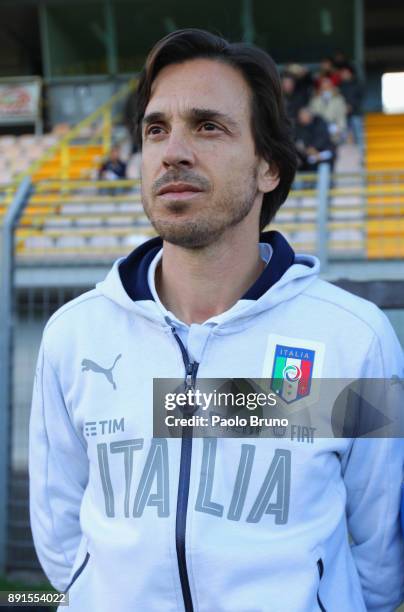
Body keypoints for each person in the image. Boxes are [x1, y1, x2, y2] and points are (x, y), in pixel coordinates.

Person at [29, 29, 404, 612]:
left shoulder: (355, 338)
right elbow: (60, 535)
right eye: (157, 128)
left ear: (268, 168)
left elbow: (380, 549)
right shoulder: (74, 335)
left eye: (208, 126)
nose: (173, 149)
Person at [309, 77, 348, 144]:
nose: (325, 89)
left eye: (327, 87)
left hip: (335, 130)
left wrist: (339, 128)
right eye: (323, 88)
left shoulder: (339, 99)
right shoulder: (315, 100)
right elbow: (313, 115)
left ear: (331, 87)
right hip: (320, 131)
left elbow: (341, 116)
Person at [338, 64, 363, 146]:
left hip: (355, 114)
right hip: (342, 115)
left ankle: (360, 157)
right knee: (343, 137)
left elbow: (360, 98)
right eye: (342, 73)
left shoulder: (357, 84)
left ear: (350, 73)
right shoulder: (340, 86)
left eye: (345, 72)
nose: (344, 74)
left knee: (358, 136)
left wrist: (351, 106)